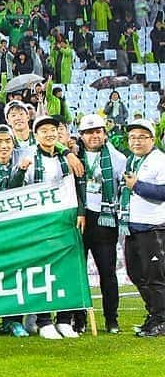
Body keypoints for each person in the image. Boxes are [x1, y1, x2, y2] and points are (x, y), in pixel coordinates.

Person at [20, 115, 85, 340]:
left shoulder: (67, 158)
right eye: (43, 130)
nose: (49, 134)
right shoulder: (29, 157)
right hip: (39, 222)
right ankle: (44, 319)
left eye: (53, 130)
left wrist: (82, 212)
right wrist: (20, 171)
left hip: (65, 220)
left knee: (65, 268)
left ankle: (65, 320)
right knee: (42, 269)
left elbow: (78, 186)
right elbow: (14, 189)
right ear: (35, 135)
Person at [72, 113, 127, 334]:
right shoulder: (73, 157)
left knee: (108, 272)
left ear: (105, 133)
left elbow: (123, 188)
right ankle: (79, 318)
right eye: (88, 132)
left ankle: (111, 319)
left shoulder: (117, 158)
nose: (94, 136)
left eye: (98, 131)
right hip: (80, 218)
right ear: (81, 136)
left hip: (105, 219)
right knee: (77, 272)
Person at [119, 120, 165, 337]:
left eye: (141, 137)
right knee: (136, 274)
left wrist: (137, 185)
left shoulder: (159, 160)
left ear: (152, 139)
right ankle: (154, 315)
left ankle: (161, 320)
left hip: (153, 227)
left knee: (155, 277)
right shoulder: (131, 160)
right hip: (132, 227)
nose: (136, 141)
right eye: (132, 137)